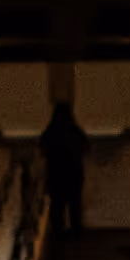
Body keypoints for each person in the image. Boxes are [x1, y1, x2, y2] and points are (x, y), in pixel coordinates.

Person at [39, 98, 89, 235]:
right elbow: (85, 148)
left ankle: (57, 232)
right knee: (75, 204)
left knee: (57, 205)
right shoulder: (75, 131)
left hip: (56, 173)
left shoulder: (51, 132)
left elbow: (42, 148)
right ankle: (76, 230)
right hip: (74, 173)